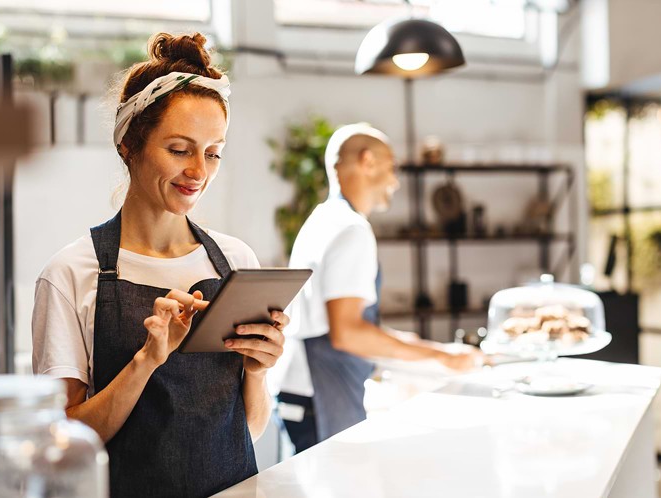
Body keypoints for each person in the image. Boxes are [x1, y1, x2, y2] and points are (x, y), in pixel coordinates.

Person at [32, 32, 288, 498]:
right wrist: (147, 361)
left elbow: (246, 431)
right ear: (129, 144)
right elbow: (63, 448)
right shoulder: (71, 273)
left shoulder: (235, 261)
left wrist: (257, 371)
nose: (199, 171)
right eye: (179, 149)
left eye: (213, 153)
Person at [277, 123, 482, 452]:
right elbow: (348, 332)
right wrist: (442, 356)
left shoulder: (323, 219)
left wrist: (414, 344)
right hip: (324, 391)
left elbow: (341, 322)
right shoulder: (352, 229)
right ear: (368, 161)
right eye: (393, 167)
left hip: (302, 390)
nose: (395, 181)